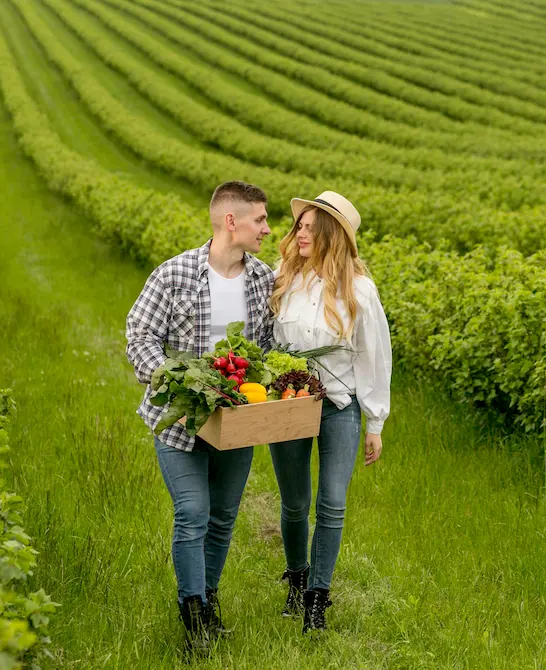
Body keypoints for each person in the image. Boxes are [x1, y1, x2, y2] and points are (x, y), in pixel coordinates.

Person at [125, 181, 273, 653]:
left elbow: (270, 349)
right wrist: (172, 379)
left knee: (224, 517)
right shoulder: (175, 274)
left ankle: (209, 604)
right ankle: (193, 621)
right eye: (260, 220)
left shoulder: (263, 279)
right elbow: (140, 334)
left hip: (237, 420)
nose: (267, 229)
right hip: (182, 417)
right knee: (193, 514)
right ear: (232, 221)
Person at [269, 191, 392, 633]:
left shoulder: (359, 289)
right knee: (295, 501)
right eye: (298, 226)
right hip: (290, 401)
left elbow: (373, 355)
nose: (299, 233)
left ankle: (318, 599)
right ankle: (297, 579)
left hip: (340, 405)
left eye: (308, 226)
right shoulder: (286, 278)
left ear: (330, 234)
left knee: (333, 503)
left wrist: (375, 421)